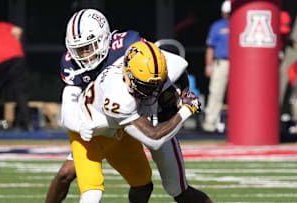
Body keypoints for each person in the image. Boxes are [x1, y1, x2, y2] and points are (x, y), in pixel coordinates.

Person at [46, 9, 212, 203]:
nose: (84, 55)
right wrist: (186, 110)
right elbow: (153, 138)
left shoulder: (131, 47)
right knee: (74, 177)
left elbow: (173, 65)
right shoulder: (115, 92)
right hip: (100, 123)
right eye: (79, 49)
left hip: (136, 120)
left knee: (169, 187)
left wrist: (179, 98)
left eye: (89, 47)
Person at [202, 0, 230, 133]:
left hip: (239, 64)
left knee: (238, 95)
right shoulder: (217, 26)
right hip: (221, 63)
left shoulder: (240, 23)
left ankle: (237, 124)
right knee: (216, 93)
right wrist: (209, 66)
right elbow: (210, 48)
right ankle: (210, 123)